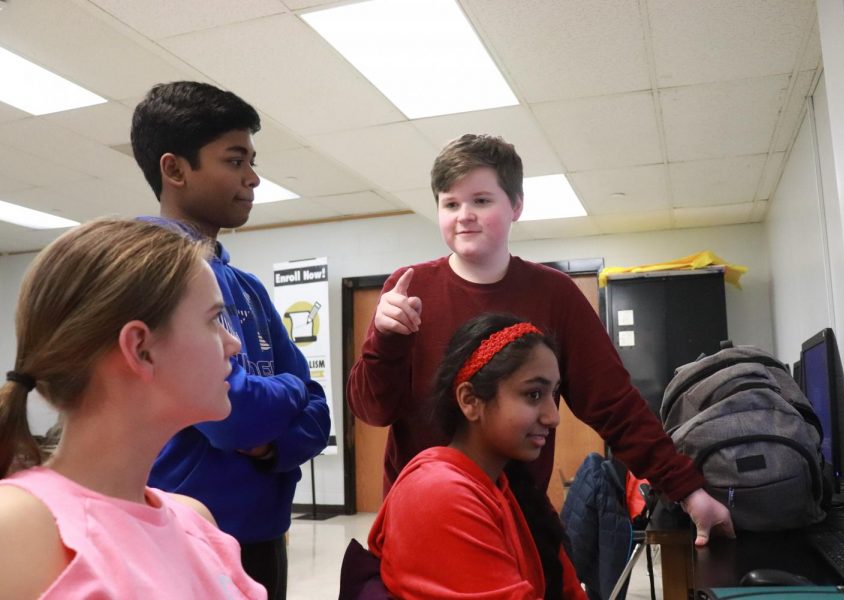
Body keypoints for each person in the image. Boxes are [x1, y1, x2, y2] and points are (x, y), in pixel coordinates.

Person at [347, 133, 734, 546]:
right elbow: (373, 409)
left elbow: (613, 404)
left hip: (513, 515)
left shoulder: (554, 293)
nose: (464, 215)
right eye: (450, 203)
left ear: (515, 205)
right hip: (421, 516)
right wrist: (385, 341)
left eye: (481, 200)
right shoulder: (409, 287)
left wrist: (688, 492)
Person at [131, 81, 331, 598]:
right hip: (189, 534)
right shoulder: (153, 272)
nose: (253, 178)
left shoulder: (247, 286)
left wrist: (267, 444)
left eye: (251, 160)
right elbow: (229, 415)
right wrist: (287, 394)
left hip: (265, 531)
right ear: (175, 169)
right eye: (235, 160)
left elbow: (319, 411)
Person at [0, 218, 265, 599]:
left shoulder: (195, 521)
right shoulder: (22, 530)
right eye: (213, 320)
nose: (233, 343)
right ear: (141, 348)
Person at [368, 313, 587, 599]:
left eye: (553, 393)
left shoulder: (508, 487)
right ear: (470, 400)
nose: (554, 416)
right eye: (534, 394)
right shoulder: (438, 493)